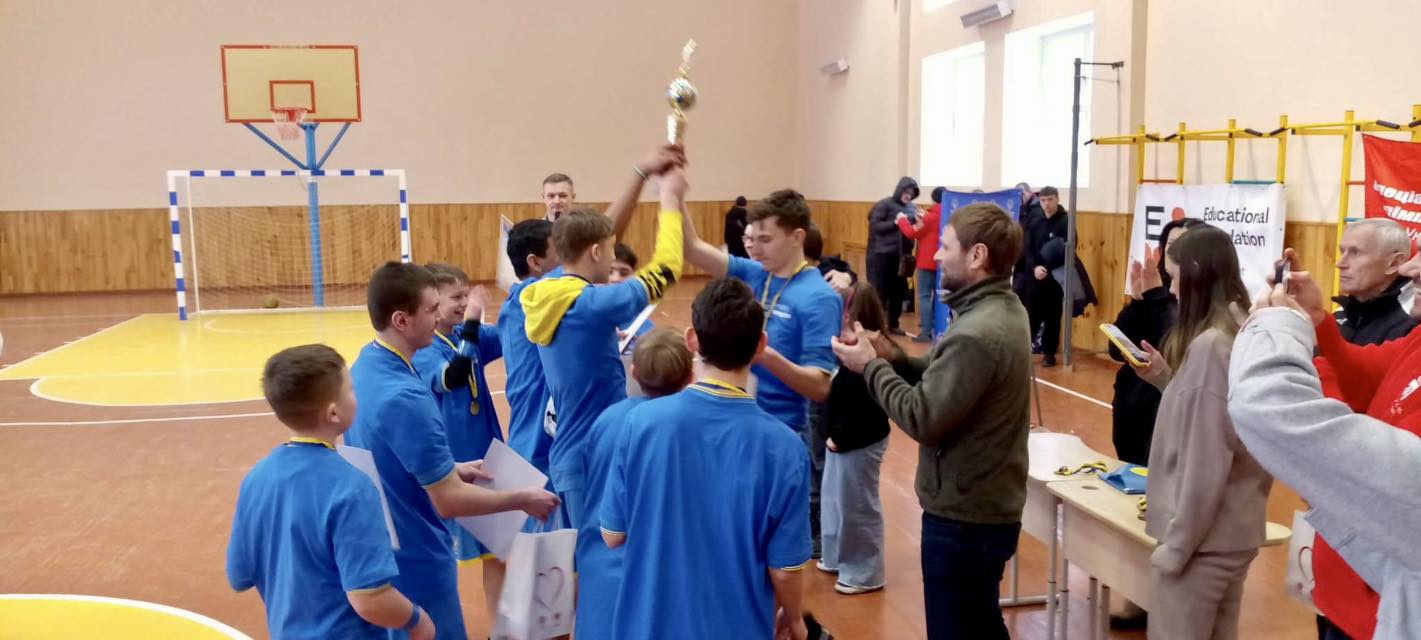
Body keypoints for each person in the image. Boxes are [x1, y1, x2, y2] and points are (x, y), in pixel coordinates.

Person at [832, 202, 1029, 639]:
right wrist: (893, 357)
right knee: (980, 623)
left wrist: (870, 367)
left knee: (956, 628)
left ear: (977, 256)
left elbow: (922, 415)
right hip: (982, 509)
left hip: (965, 519)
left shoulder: (978, 332)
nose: (936, 255)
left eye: (946, 246)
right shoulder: (1001, 309)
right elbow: (945, 378)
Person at [344, 262, 559, 640]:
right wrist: (522, 498)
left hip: (388, 540)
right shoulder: (407, 397)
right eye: (431, 309)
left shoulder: (365, 367)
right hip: (419, 553)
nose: (439, 317)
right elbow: (448, 501)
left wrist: (449, 467)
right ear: (401, 320)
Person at [600, 278, 812, 640]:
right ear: (761, 345)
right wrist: (794, 619)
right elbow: (784, 568)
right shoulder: (786, 448)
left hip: (648, 627)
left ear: (692, 340)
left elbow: (612, 534)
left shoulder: (640, 423)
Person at [1228, 245, 1421, 640]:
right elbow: (1363, 374)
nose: (1411, 268)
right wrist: (1317, 322)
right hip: (1362, 588)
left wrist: (1275, 328)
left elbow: (1268, 408)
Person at [227, 344, 435, 640]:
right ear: (333, 413)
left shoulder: (256, 479)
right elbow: (369, 598)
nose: (355, 393)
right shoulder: (352, 487)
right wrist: (418, 620)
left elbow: (239, 575)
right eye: (350, 388)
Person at [1126, 226, 1272, 640]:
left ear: (1194, 274)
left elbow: (1206, 459)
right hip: (1231, 532)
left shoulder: (1211, 346)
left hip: (1202, 544)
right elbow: (1212, 414)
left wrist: (1177, 547)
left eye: (1173, 277)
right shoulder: (1240, 327)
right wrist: (1165, 379)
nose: (1171, 289)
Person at [522, 168, 687, 529]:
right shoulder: (590, 305)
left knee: (585, 555)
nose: (613, 260)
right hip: (593, 456)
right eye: (611, 249)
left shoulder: (548, 295)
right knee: (602, 554)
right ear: (596, 251)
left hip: (571, 453)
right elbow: (668, 267)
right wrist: (669, 198)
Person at [1302, 219, 1416, 640]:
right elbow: (1360, 370)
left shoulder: (1406, 326)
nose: (1341, 262)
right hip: (1347, 565)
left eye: (1355, 252)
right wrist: (1318, 321)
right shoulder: (1413, 339)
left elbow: (1372, 459)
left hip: (1382, 589)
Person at [1106, 216, 1204, 630]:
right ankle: (1138, 591)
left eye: (1184, 246)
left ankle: (1159, 599)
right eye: (1169, 247)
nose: (1173, 256)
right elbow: (1117, 349)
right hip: (1132, 410)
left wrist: (1153, 298)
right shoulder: (1151, 293)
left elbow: (1175, 347)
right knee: (1132, 504)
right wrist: (1139, 302)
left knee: (1165, 509)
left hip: (1168, 415)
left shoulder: (1196, 303)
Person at [680, 189, 843, 433]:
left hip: (784, 428)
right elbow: (691, 248)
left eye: (765, 240)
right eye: (752, 239)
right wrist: (675, 195)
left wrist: (763, 355)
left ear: (797, 237)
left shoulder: (819, 297)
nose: (754, 250)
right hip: (739, 416)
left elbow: (820, 387)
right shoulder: (756, 272)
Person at [575, 327, 694, 640]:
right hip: (660, 574)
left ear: (634, 372)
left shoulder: (606, 420)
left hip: (602, 567)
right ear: (689, 377)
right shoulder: (690, 428)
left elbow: (591, 480)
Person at [411, 263, 507, 623]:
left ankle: (498, 630)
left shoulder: (466, 334)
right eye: (456, 297)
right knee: (441, 554)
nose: (464, 303)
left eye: (467, 295)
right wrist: (472, 323)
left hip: (487, 458)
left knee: (497, 551)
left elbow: (513, 334)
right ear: (433, 304)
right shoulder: (426, 349)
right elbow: (453, 377)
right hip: (451, 469)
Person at [817, 282, 892, 595]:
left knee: (857, 506)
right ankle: (836, 555)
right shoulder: (846, 355)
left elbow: (865, 410)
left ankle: (865, 571)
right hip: (841, 440)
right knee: (835, 501)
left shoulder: (869, 360)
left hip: (859, 440)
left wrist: (840, 438)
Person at [498, 219, 561, 482]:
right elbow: (583, 260)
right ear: (535, 262)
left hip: (526, 440)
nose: (568, 256)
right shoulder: (534, 296)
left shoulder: (515, 303)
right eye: (561, 249)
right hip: (539, 448)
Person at [1023, 185, 1095, 366]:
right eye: (1043, 200)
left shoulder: (1066, 221)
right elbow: (1027, 248)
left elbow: (1068, 249)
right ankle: (1023, 351)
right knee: (1031, 315)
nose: (1046, 204)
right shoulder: (1035, 221)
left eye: (1050, 200)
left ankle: (1049, 354)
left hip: (1055, 277)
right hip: (1035, 276)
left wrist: (1047, 267)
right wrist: (1035, 268)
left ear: (1057, 199)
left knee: (1053, 316)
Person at [1330, 218, 1416, 345]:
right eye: (1342, 251)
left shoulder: (1413, 322)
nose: (1340, 263)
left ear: (1394, 263)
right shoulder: (1343, 312)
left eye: (1355, 253)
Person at [866, 177, 918, 334]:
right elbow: (875, 226)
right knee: (879, 291)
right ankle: (876, 326)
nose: (908, 196)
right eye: (906, 192)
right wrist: (896, 223)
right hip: (880, 255)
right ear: (899, 190)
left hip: (902, 257)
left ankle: (893, 324)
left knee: (898, 292)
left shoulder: (912, 208)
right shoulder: (884, 205)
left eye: (912, 193)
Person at [898, 186, 944, 342]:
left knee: (924, 296)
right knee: (938, 296)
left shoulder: (930, 217)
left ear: (933, 198)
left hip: (926, 262)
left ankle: (925, 332)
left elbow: (912, 232)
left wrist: (902, 220)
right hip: (943, 263)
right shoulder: (949, 215)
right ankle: (936, 326)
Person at [611, 242, 657, 397]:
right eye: (609, 271)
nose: (615, 278)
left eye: (623, 273)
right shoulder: (584, 318)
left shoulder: (645, 328)